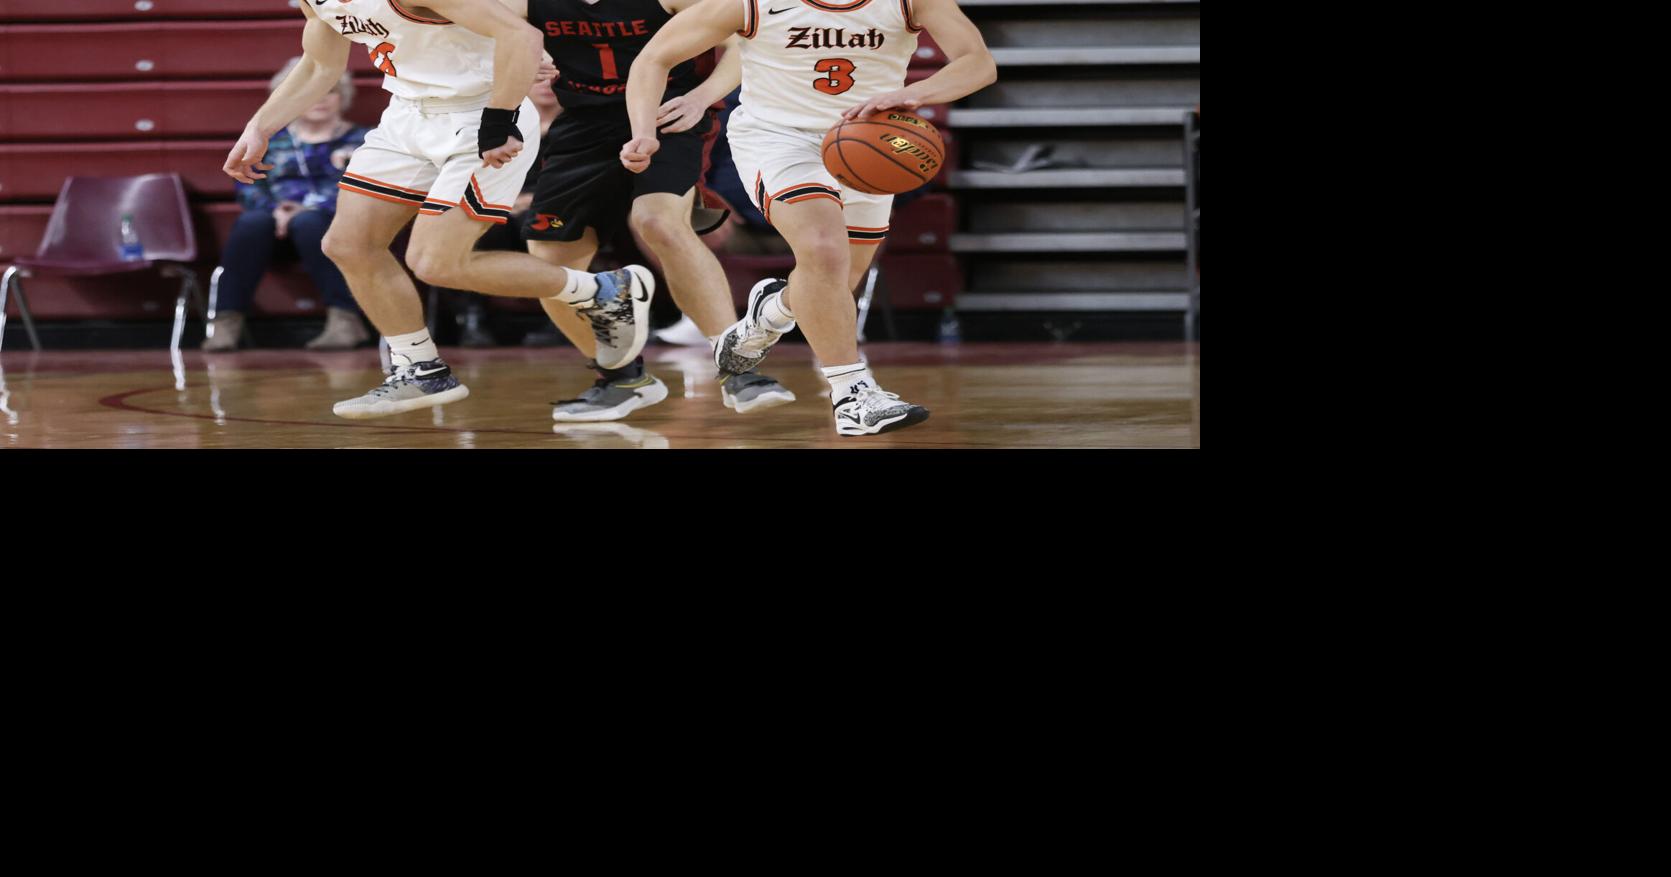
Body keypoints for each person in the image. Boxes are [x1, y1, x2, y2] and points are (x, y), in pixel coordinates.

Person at [222, 0, 654, 420]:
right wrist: (259, 126)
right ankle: (421, 368)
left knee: (434, 262)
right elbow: (319, 64)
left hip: (480, 115)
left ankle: (605, 292)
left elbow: (520, 34)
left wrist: (497, 123)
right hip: (406, 117)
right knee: (348, 245)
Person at [621, 0, 995, 435]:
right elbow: (654, 57)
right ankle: (852, 394)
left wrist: (914, 93)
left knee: (837, 278)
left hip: (866, 138)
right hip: (779, 138)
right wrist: (643, 131)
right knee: (822, 249)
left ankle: (771, 311)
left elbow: (978, 62)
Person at [520, 0, 794, 422]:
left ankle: (738, 367)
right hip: (582, 123)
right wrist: (525, 51)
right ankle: (620, 378)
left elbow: (747, 40)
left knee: (658, 221)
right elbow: (481, 28)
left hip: (670, 113)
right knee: (549, 260)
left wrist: (702, 98)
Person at [206, 58, 370, 352]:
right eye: (311, 91)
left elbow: (362, 189)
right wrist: (276, 210)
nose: (321, 99)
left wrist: (307, 208)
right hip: (272, 232)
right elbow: (249, 186)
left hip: (333, 228)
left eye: (330, 91)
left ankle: (345, 321)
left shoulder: (363, 140)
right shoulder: (268, 141)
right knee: (251, 221)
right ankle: (226, 322)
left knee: (308, 222)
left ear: (343, 96)